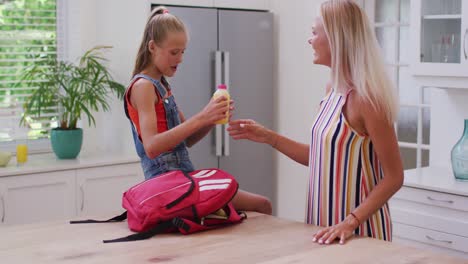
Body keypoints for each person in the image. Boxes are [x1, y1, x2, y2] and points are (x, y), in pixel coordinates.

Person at [228, 0, 403, 244]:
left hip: (359, 232)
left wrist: (349, 222)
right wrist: (269, 137)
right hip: (324, 225)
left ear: (336, 39)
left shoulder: (368, 99)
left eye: (314, 33)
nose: (310, 40)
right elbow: (323, 157)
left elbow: (394, 177)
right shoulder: (332, 89)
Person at [124, 6, 272, 215]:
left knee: (258, 205)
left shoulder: (162, 86)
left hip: (184, 179)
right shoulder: (143, 87)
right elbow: (151, 147)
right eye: (174, 52)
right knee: (261, 205)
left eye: (183, 51)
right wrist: (202, 116)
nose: (180, 58)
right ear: (152, 47)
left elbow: (187, 140)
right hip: (167, 186)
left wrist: (211, 118)